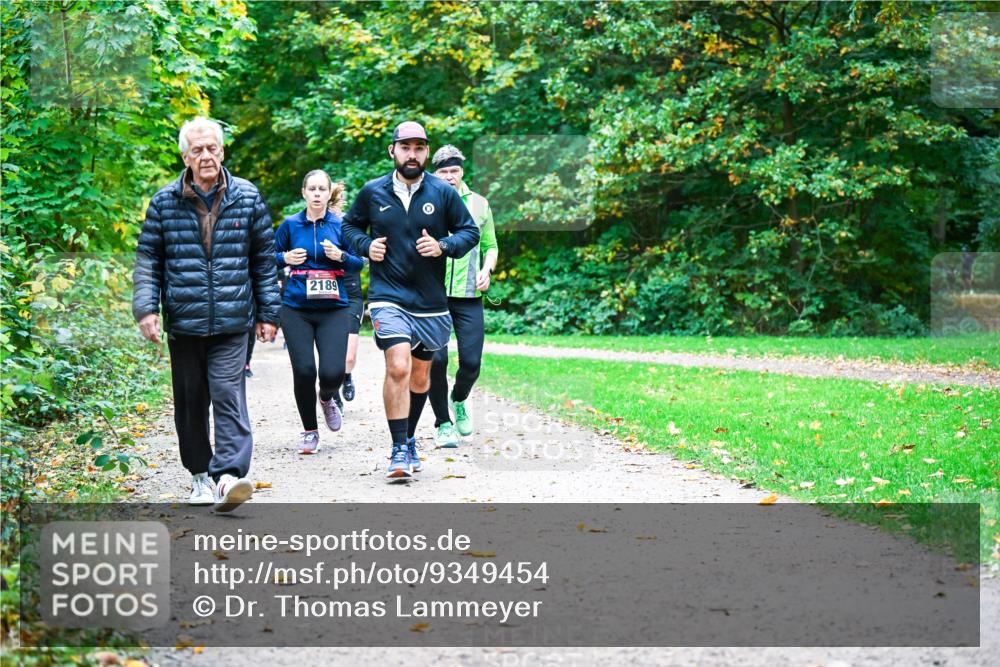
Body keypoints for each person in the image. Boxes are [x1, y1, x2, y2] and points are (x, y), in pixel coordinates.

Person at [132, 116, 279, 512]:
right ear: (185, 156)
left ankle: (229, 475)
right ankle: (199, 474)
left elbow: (264, 260)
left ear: (222, 151)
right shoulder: (164, 202)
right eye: (197, 149)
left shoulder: (247, 197)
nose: (206, 155)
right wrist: (146, 308)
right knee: (190, 401)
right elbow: (149, 260)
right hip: (185, 322)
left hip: (234, 322)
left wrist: (269, 313)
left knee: (228, 393)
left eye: (212, 147)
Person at [342, 121, 480, 480]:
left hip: (431, 301)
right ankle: (398, 448)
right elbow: (349, 228)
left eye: (419, 148)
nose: (413, 154)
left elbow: (469, 232)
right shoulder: (373, 192)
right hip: (388, 295)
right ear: (393, 151)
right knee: (399, 367)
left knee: (421, 376)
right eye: (406, 147)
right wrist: (365, 246)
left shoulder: (442, 192)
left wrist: (443, 246)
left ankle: (410, 437)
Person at [274, 170, 364, 454]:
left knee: (332, 371)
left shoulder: (342, 225)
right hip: (296, 308)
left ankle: (326, 398)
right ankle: (310, 431)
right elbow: (265, 258)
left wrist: (341, 257)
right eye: (311, 188)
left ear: (328, 193)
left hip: (334, 308)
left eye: (321, 189)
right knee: (303, 370)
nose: (316, 193)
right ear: (303, 193)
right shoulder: (289, 226)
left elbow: (359, 263)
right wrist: (284, 258)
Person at [428, 145, 499, 447]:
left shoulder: (480, 204)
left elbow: (491, 246)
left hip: (470, 295)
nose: (449, 177)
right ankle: (443, 423)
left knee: (471, 363)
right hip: (432, 295)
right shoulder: (426, 202)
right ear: (434, 174)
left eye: (454, 171)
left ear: (462, 172)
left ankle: (459, 399)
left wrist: (487, 270)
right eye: (443, 172)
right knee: (436, 360)